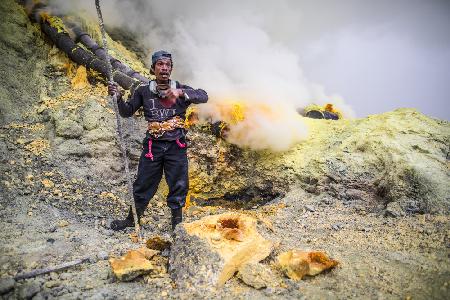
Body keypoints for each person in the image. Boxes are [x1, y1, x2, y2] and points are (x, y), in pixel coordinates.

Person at [107, 50, 208, 230]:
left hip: (176, 146)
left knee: (178, 185)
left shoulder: (179, 89)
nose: (164, 68)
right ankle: (131, 221)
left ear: (171, 68)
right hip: (153, 146)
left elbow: (203, 95)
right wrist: (119, 98)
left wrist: (181, 93)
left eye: (167, 65)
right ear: (153, 69)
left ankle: (177, 227)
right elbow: (126, 112)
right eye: (160, 64)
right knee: (143, 184)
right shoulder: (143, 91)